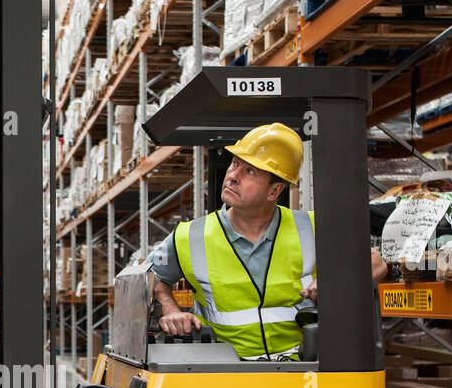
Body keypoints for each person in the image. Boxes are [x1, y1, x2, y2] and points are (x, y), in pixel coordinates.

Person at [150, 121, 389, 361]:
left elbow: (376, 262)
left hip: (300, 372)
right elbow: (147, 277)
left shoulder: (312, 227)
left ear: (274, 191)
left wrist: (336, 281)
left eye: (249, 171)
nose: (233, 176)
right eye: (235, 164)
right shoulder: (189, 236)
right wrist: (170, 310)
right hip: (224, 374)